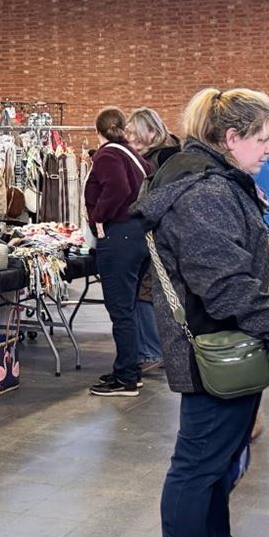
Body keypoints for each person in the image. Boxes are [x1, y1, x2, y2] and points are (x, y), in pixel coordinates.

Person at [137, 87, 269, 537]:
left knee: (217, 464)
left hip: (228, 346)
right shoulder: (203, 192)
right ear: (230, 138)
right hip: (216, 350)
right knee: (198, 468)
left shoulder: (215, 181)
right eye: (263, 140)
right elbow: (226, 283)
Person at [85, 108, 153, 398]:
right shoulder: (133, 155)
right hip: (138, 236)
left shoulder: (108, 155)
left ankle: (125, 378)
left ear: (97, 130)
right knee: (128, 308)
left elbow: (117, 187)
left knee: (121, 310)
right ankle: (130, 370)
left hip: (120, 237)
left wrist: (99, 217)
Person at [123, 107, 177, 375]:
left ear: (152, 133)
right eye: (129, 133)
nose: (130, 139)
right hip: (164, 237)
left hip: (157, 237)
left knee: (145, 292)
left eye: (135, 134)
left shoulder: (160, 160)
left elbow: (156, 202)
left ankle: (150, 351)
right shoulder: (171, 154)